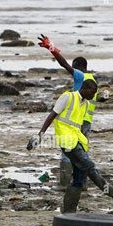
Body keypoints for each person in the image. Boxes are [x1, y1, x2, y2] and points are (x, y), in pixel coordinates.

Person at [27, 79, 113, 213]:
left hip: (76, 140)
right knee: (89, 166)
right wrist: (40, 135)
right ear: (84, 89)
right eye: (92, 92)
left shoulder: (84, 103)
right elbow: (52, 115)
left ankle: (68, 211)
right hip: (67, 141)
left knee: (79, 177)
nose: (93, 95)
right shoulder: (67, 97)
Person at [38, 34, 98, 190]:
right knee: (82, 151)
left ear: (78, 66)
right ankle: (82, 183)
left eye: (74, 68)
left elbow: (64, 64)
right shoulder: (93, 80)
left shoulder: (81, 76)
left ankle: (64, 184)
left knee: (67, 150)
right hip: (87, 122)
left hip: (75, 122)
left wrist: (51, 48)